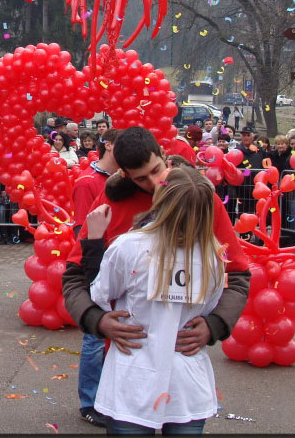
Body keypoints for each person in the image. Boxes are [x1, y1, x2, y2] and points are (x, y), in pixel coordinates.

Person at [62, 128, 250, 411]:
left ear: (164, 155)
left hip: (182, 368)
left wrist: (216, 324)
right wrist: (94, 319)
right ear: (123, 174)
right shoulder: (111, 204)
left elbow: (237, 274)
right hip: (128, 364)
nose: (152, 183)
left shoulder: (199, 199)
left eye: (156, 171)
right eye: (140, 178)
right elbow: (75, 275)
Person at [89, 166, 226, 434]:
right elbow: (209, 306)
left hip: (133, 375)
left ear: (160, 200)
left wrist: (94, 242)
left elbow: (100, 295)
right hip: (187, 380)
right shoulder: (214, 256)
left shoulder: (129, 246)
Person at [71, 128, 120, 428]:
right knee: (94, 337)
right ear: (110, 146)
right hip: (96, 264)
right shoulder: (88, 182)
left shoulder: (126, 181)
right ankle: (90, 401)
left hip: (124, 267)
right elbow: (82, 230)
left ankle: (111, 397)